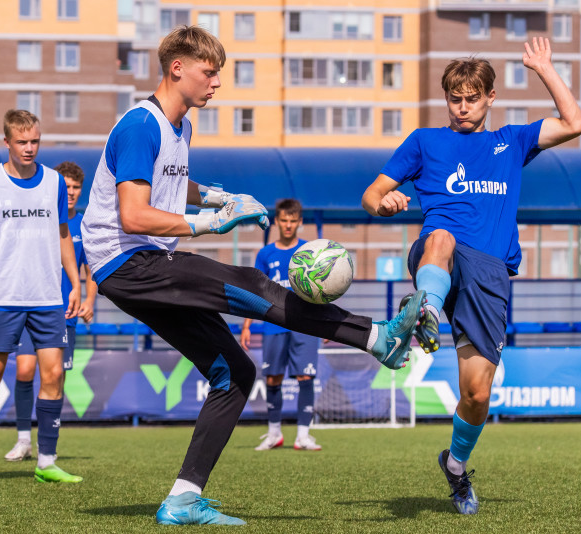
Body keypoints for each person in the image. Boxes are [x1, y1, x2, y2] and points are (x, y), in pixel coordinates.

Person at [81, 25, 425, 526]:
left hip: (138, 267)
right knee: (255, 283)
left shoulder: (180, 128)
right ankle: (377, 338)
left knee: (235, 373)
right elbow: (134, 215)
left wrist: (218, 197)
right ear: (177, 68)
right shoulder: (141, 125)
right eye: (209, 72)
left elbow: (171, 182)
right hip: (130, 260)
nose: (217, 83)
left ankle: (181, 500)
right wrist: (209, 223)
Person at [362, 37, 581, 515]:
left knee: (477, 392)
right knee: (441, 234)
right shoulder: (425, 140)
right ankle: (423, 309)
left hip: (491, 275)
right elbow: (371, 194)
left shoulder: (511, 141)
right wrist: (385, 203)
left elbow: (575, 123)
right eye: (454, 98)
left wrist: (545, 69)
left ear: (489, 98)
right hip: (438, 257)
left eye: (471, 98)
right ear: (446, 99)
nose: (462, 107)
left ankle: (456, 466)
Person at [0, 109, 83, 484]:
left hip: (46, 297)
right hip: (1, 297)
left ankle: (47, 462)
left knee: (54, 374)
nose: (29, 148)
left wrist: (75, 282)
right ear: (6, 142)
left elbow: (62, 235)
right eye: (22, 142)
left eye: (35, 141)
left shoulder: (55, 183)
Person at [4, 161, 98, 462]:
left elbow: (91, 269)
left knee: (55, 378)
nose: (70, 192)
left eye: (75, 188)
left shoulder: (85, 225)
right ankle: (23, 440)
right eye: (66, 187)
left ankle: (48, 446)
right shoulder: (42, 217)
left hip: (65, 312)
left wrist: (89, 301)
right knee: (24, 370)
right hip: (31, 306)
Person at [239, 199, 322, 452]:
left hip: (305, 324)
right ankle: (274, 433)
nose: (288, 225)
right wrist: (246, 325)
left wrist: (327, 322)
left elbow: (321, 289)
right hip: (273, 323)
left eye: (292, 221)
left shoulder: (309, 250)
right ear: (276, 221)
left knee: (305, 376)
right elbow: (255, 290)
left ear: (300, 222)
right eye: (283, 220)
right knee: (273, 378)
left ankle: (303, 436)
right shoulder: (265, 254)